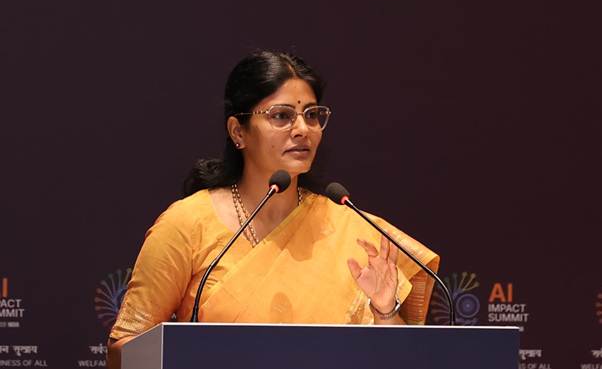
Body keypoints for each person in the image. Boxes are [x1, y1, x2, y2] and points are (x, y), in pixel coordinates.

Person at [107, 50, 439, 368]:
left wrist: (384, 311)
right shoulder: (187, 224)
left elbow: (401, 359)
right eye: (282, 115)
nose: (303, 129)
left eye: (312, 115)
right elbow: (124, 348)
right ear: (238, 131)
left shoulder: (350, 229)